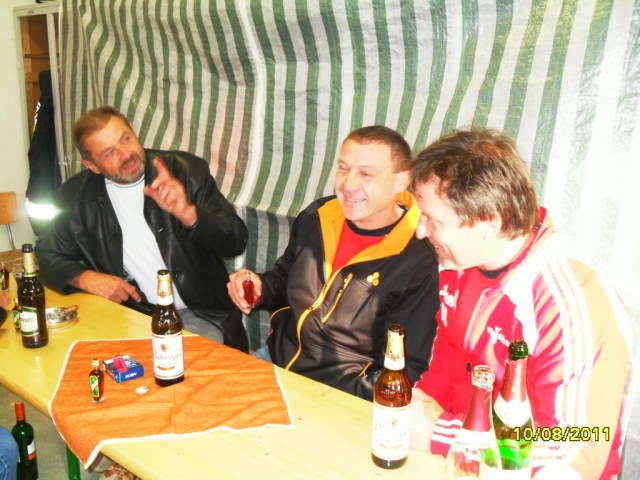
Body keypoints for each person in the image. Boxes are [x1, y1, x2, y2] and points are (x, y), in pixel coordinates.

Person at [409, 128, 632, 479]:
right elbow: (449, 362)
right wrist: (414, 410)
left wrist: (442, 433)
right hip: (458, 464)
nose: (420, 231)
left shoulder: (568, 297)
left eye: (432, 220)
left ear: (489, 222)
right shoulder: (459, 263)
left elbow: (576, 448)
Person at [228, 126, 440, 400]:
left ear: (402, 180)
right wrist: (257, 287)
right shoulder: (320, 215)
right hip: (276, 360)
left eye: (366, 174)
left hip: (340, 394)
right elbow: (283, 282)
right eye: (343, 169)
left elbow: (403, 365)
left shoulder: (417, 260)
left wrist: (336, 401)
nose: (348, 184)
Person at [37, 106, 249, 351]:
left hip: (197, 314)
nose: (125, 154)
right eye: (109, 153)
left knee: (172, 365)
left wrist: (189, 214)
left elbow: (235, 240)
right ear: (92, 165)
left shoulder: (185, 171)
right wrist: (86, 278)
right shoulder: (76, 196)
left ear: (133, 131)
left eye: (126, 139)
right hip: (129, 316)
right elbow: (46, 255)